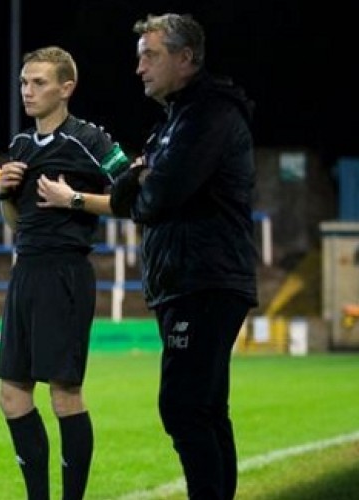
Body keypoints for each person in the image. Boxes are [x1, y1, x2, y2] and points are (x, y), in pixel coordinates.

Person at [36, 13, 258, 499]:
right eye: (139, 57)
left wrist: (138, 179)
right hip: (188, 280)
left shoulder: (208, 115)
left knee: (183, 407)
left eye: (150, 55)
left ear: (185, 58)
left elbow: (152, 198)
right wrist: (137, 181)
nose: (139, 68)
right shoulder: (178, 120)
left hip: (205, 279)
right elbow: (129, 195)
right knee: (204, 409)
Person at [0, 46, 130, 500]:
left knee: (63, 396)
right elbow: (17, 224)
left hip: (66, 274)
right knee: (12, 397)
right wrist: (3, 194)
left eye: (39, 83)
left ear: (66, 88)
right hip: (25, 271)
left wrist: (75, 200)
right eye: (23, 83)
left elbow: (135, 200)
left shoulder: (91, 141)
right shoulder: (20, 145)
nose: (27, 92)